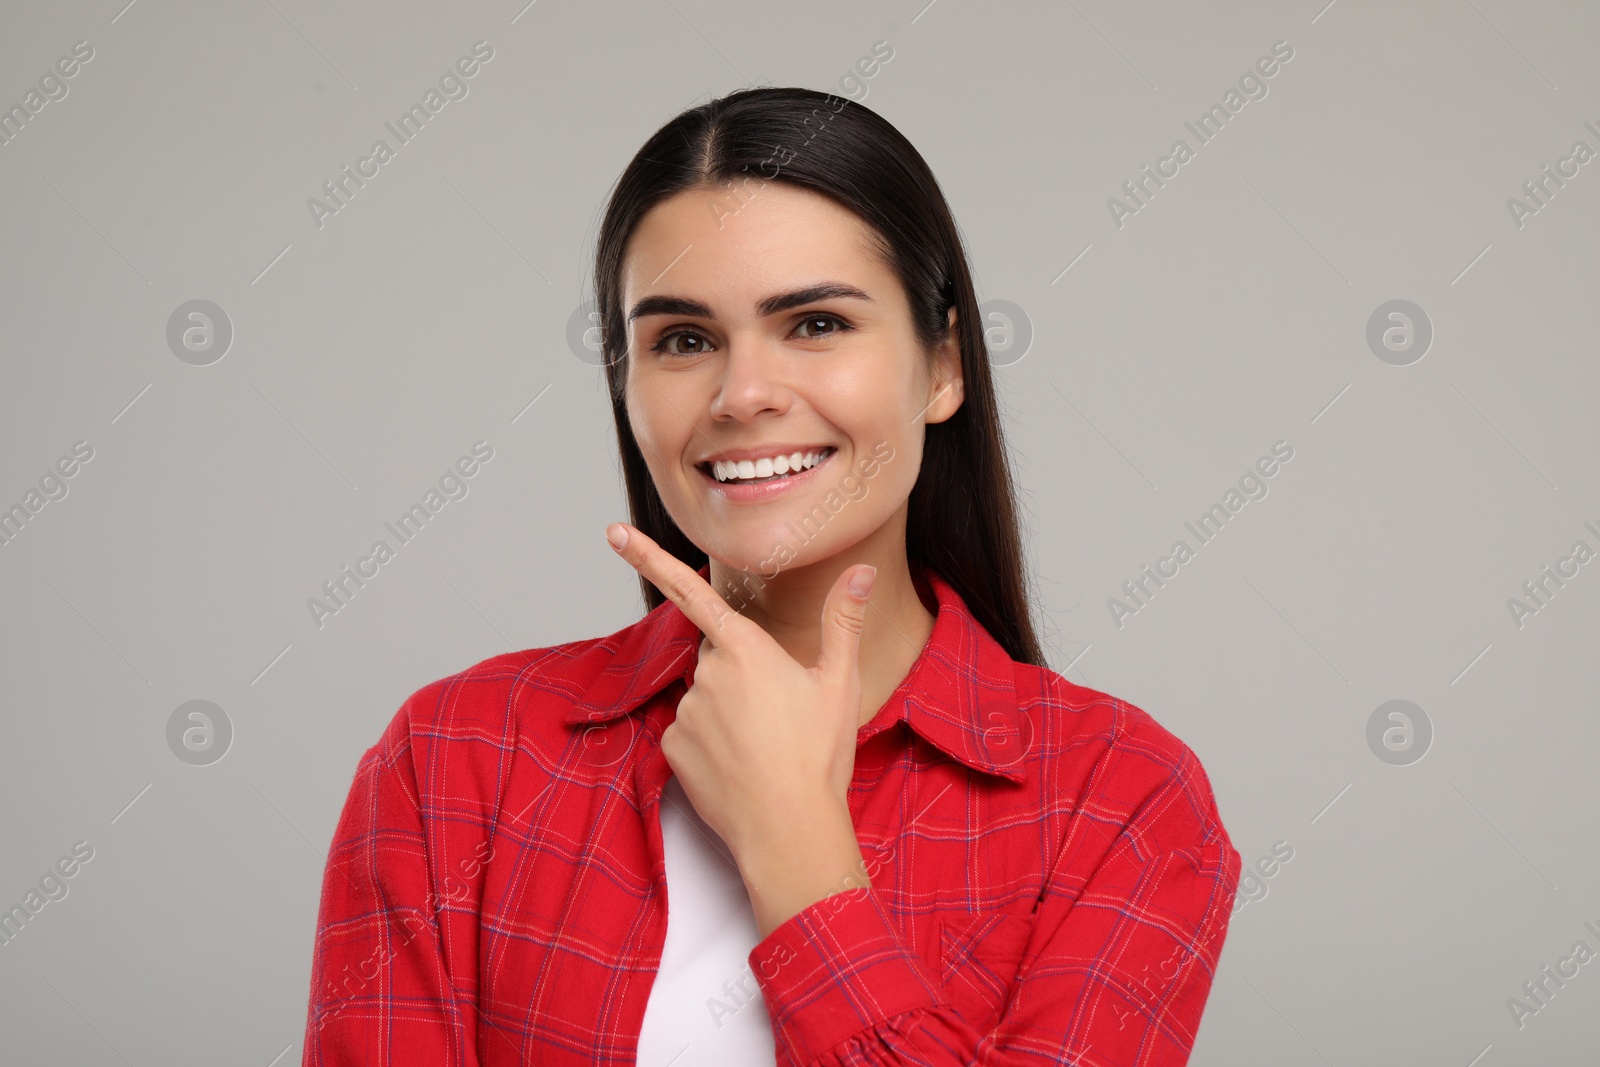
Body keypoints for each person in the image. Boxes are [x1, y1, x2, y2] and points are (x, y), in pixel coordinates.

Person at [301, 85, 1241, 1067]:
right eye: (683, 340)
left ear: (941, 368)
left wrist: (799, 851)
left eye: (816, 324)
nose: (743, 393)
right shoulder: (456, 760)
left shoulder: (1121, 799)